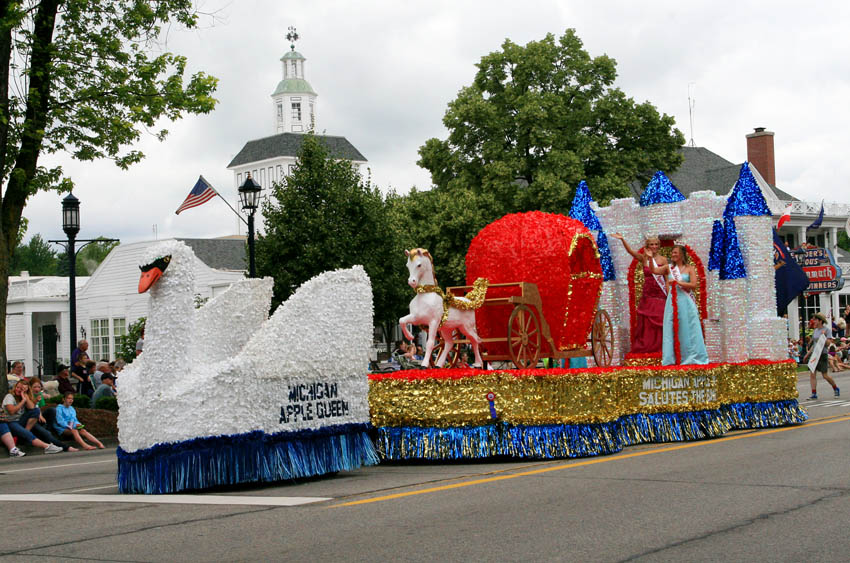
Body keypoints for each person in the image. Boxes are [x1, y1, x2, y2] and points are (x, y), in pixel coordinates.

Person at [650, 245, 708, 366]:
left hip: (686, 301)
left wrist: (678, 282)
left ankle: (692, 357)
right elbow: (654, 271)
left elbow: (693, 285)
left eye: (675, 252)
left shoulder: (689, 268)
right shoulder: (669, 268)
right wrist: (650, 259)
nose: (673, 254)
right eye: (672, 252)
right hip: (672, 301)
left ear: (681, 254)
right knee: (670, 327)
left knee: (688, 328)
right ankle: (670, 359)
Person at [611, 234, 668, 354]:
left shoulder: (663, 260)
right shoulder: (644, 258)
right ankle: (647, 347)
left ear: (659, 246)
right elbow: (630, 251)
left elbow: (667, 278)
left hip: (660, 293)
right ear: (647, 246)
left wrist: (669, 292)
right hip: (648, 293)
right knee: (646, 321)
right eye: (651, 244)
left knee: (660, 319)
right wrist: (622, 239)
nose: (654, 246)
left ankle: (661, 348)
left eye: (656, 244)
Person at [1, 381, 63, 454]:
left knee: (36, 411)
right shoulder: (9, 396)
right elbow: (12, 411)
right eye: (17, 387)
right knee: (26, 432)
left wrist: (25, 396)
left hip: (19, 421)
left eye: (22, 389)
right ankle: (46, 446)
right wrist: (23, 401)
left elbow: (32, 408)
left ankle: (26, 433)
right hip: (10, 421)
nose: (18, 390)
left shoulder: (23, 396)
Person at [26, 378, 79, 453]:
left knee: (52, 410)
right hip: (31, 420)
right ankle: (65, 447)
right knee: (46, 434)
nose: (37, 389)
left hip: (37, 416)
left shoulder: (39, 395)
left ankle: (48, 429)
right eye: (34, 387)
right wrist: (38, 413)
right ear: (30, 387)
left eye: (39, 387)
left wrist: (40, 414)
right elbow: (31, 408)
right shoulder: (28, 396)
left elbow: (39, 408)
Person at [802, 312, 839, 400]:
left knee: (825, 375)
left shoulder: (827, 330)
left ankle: (835, 388)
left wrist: (823, 336)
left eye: (815, 319)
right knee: (812, 374)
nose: (814, 321)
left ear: (820, 321)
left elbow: (828, 343)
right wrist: (807, 355)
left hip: (822, 354)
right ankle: (814, 393)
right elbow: (814, 345)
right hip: (814, 355)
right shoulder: (815, 331)